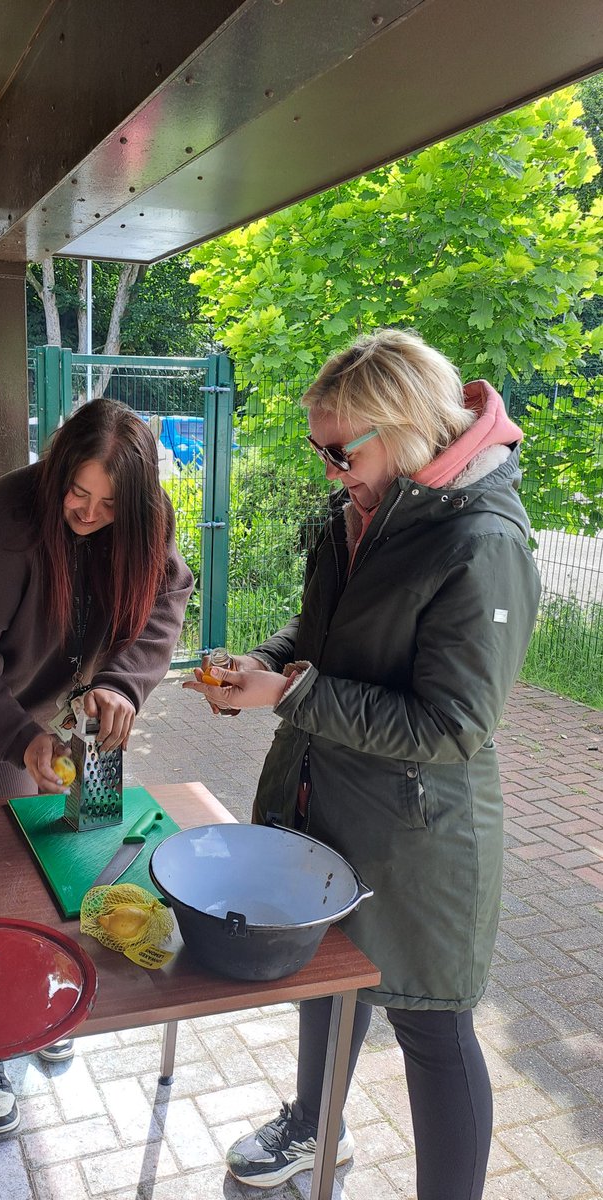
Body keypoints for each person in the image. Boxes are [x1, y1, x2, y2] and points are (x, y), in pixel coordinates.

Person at [183, 329, 540, 1198]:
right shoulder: (361, 511)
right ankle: (314, 1129)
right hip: (327, 800)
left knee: (432, 1024)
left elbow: (453, 723)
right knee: (324, 979)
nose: (329, 470)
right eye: (319, 450)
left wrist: (291, 694)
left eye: (341, 451)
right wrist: (256, 670)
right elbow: (315, 644)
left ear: (407, 426)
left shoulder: (481, 540)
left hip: (424, 838)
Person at [0, 397, 193, 1135]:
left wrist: (122, 684)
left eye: (110, 504)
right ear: (57, 466)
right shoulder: (4, 530)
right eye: (79, 493)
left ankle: (40, 992)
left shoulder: (141, 512)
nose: (90, 513)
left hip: (84, 694)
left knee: (78, 857)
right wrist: (20, 740)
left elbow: (169, 595)